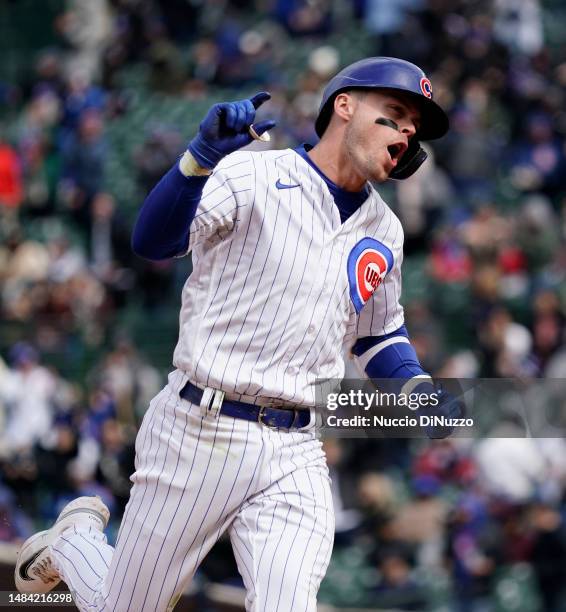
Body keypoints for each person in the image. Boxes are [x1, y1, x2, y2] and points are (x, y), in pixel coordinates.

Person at [15, 57, 460, 611]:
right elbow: (152, 244)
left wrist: (413, 385)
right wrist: (198, 161)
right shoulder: (252, 175)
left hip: (296, 448)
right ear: (344, 106)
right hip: (199, 429)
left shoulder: (385, 231)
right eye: (395, 113)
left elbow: (377, 336)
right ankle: (76, 541)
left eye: (414, 126)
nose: (407, 131)